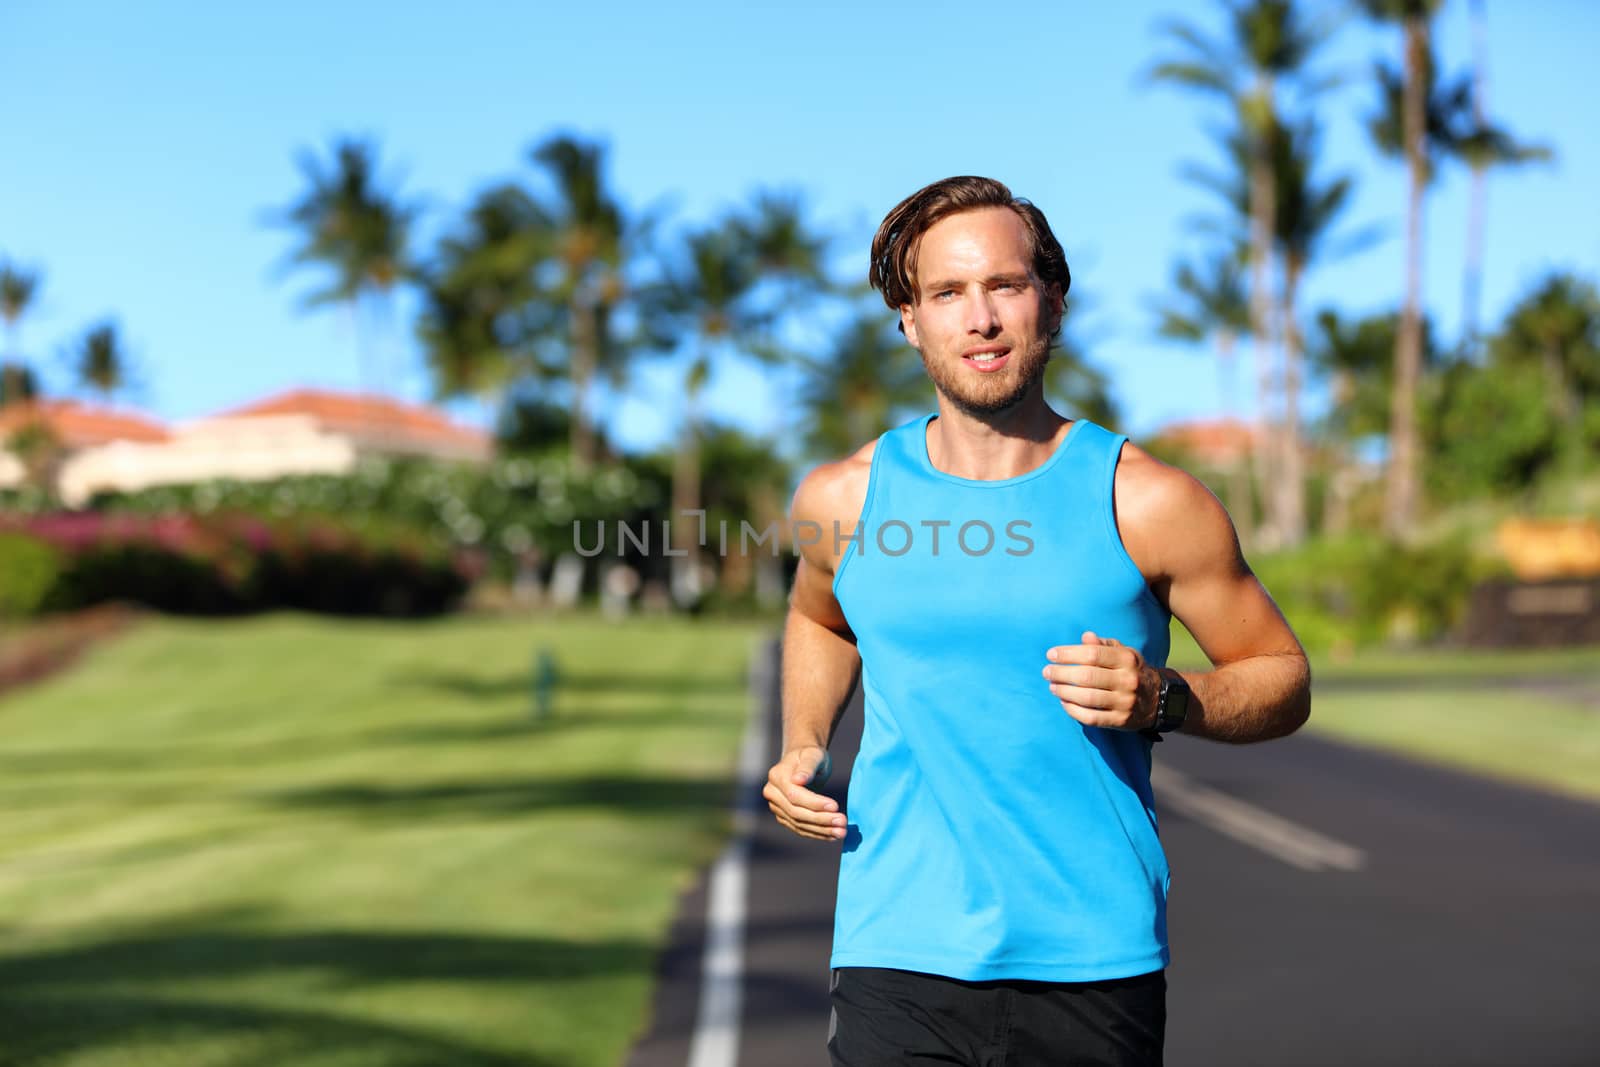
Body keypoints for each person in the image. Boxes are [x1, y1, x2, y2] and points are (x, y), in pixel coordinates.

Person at [762, 175, 1311, 1067]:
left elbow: (1283, 677)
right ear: (910, 320)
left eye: (1004, 287)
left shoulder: (1149, 501)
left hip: (1093, 965)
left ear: (1050, 302)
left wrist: (1165, 697)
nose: (979, 319)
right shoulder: (846, 499)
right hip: (895, 952)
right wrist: (802, 741)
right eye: (946, 293)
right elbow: (821, 617)